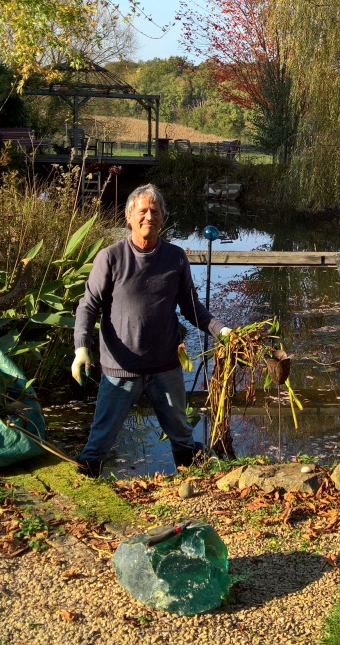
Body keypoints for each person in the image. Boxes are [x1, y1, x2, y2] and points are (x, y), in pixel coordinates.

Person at [71, 184, 230, 477]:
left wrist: (223, 332)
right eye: (142, 211)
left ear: (163, 218)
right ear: (129, 217)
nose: (149, 217)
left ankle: (191, 485)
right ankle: (85, 485)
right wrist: (82, 348)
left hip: (165, 367)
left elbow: (193, 308)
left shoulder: (175, 258)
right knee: (99, 441)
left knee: (181, 434)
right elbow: (87, 306)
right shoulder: (111, 257)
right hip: (120, 369)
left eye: (155, 211)